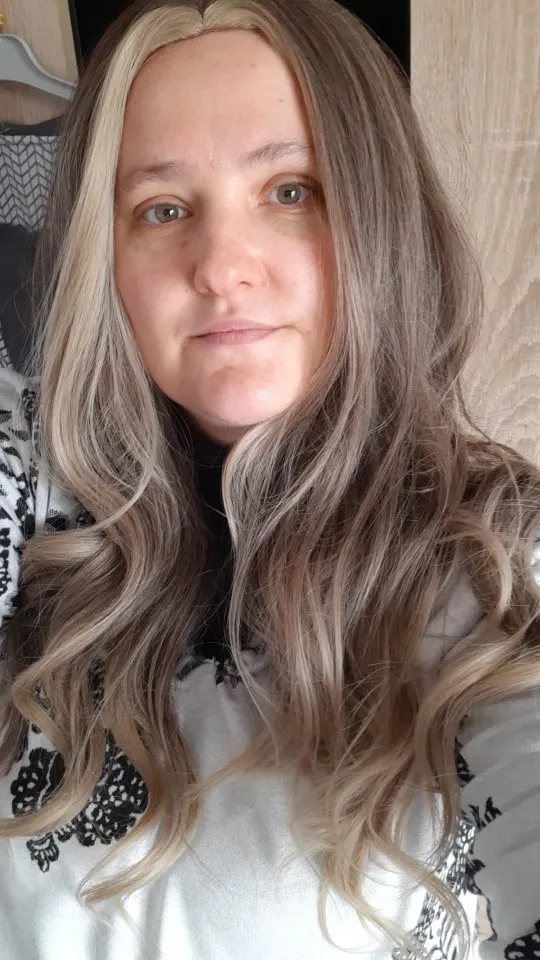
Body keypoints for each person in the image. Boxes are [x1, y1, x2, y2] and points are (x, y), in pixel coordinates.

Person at [0, 0, 538, 957]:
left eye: (291, 191)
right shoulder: (36, 487)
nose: (221, 268)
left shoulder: (495, 558)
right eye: (162, 209)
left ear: (379, 222)